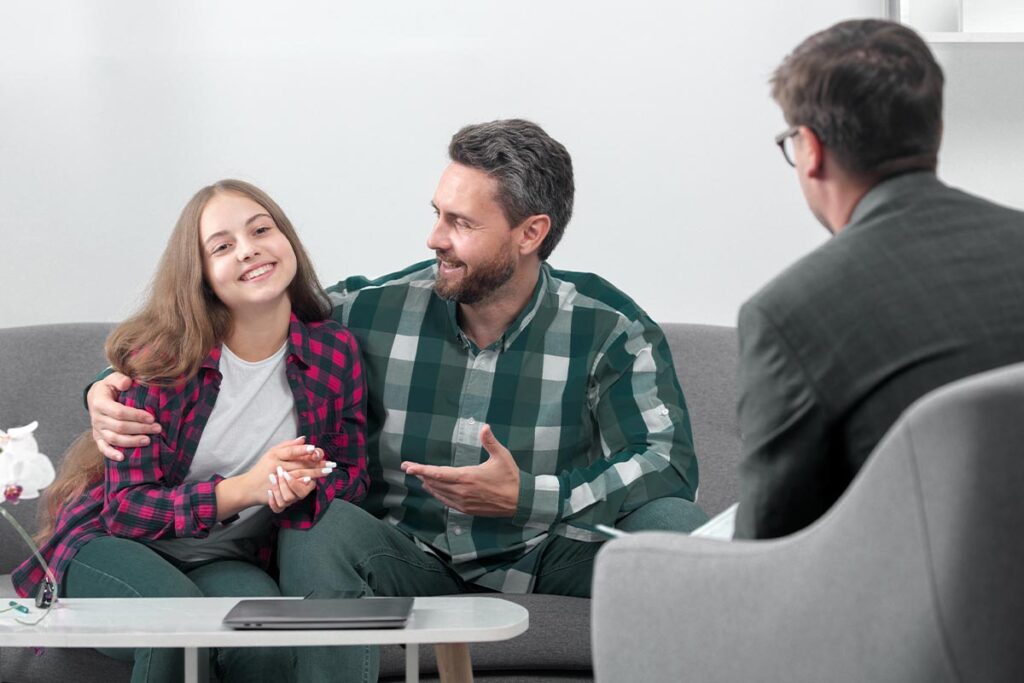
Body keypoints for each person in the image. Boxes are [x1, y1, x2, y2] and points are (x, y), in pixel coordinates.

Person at [87, 119, 705, 680]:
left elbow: (666, 463)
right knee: (316, 523)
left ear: (530, 233)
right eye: (438, 212)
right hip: (405, 551)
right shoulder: (376, 308)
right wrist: (104, 384)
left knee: (680, 532)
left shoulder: (607, 326)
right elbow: (237, 313)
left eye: (460, 223)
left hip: (543, 546)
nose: (434, 237)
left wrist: (530, 496)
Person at [15, 179, 369, 682]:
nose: (249, 250)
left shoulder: (334, 352)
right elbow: (126, 511)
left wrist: (304, 485)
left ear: (287, 239)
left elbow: (352, 472)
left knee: (268, 639)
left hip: (225, 556)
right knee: (177, 626)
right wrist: (244, 490)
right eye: (222, 246)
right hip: (110, 546)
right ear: (201, 274)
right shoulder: (164, 360)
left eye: (261, 230)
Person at [734, 19, 1024, 540]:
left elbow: (769, 551)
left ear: (811, 149)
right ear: (934, 129)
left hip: (921, 613)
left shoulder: (790, 314)